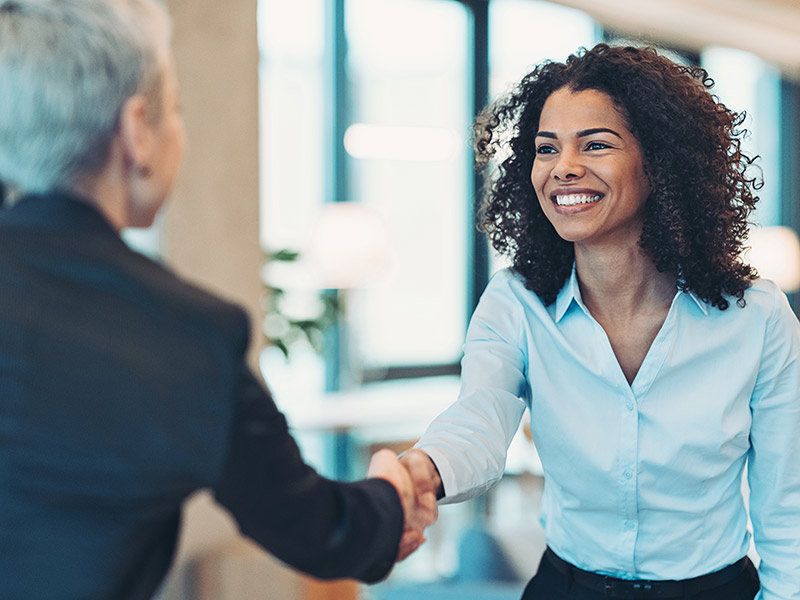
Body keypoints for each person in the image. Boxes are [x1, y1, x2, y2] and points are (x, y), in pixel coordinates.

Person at [0, 1, 436, 599]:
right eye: (175, 108)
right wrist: (390, 496)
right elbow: (320, 530)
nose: (179, 125)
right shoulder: (183, 334)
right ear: (136, 132)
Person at [399, 43, 800, 600]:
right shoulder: (516, 302)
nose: (564, 168)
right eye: (547, 148)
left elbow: (789, 504)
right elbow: (480, 420)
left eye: (596, 144)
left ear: (659, 162)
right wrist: (421, 470)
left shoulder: (756, 316)